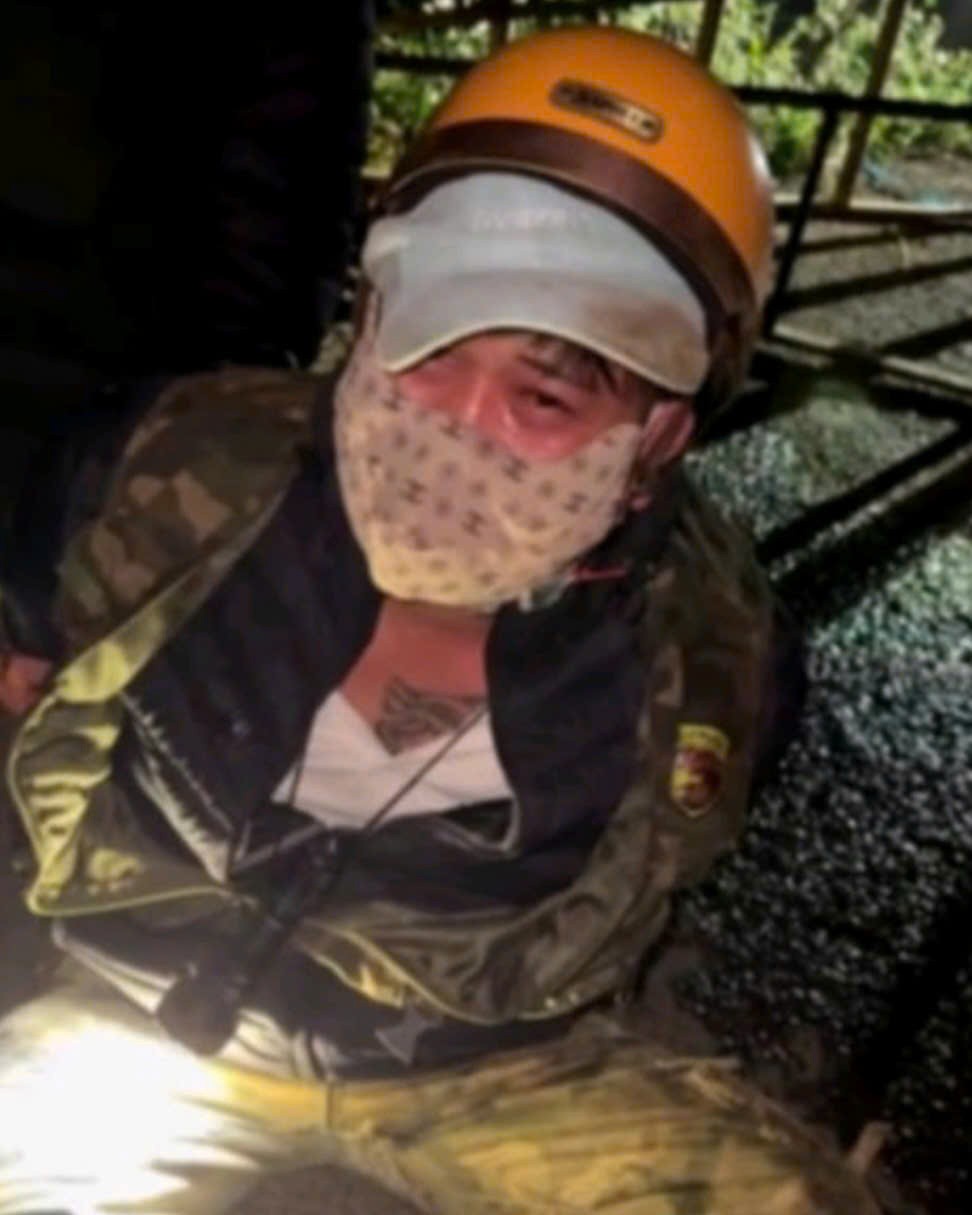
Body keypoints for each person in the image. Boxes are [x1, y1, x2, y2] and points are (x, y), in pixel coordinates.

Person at [0, 25, 878, 1215]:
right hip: (138, 1032)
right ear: (367, 315)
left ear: (661, 435)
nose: (453, 427)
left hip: (503, 1074)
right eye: (426, 344)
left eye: (544, 393)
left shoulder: (721, 656)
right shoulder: (160, 479)